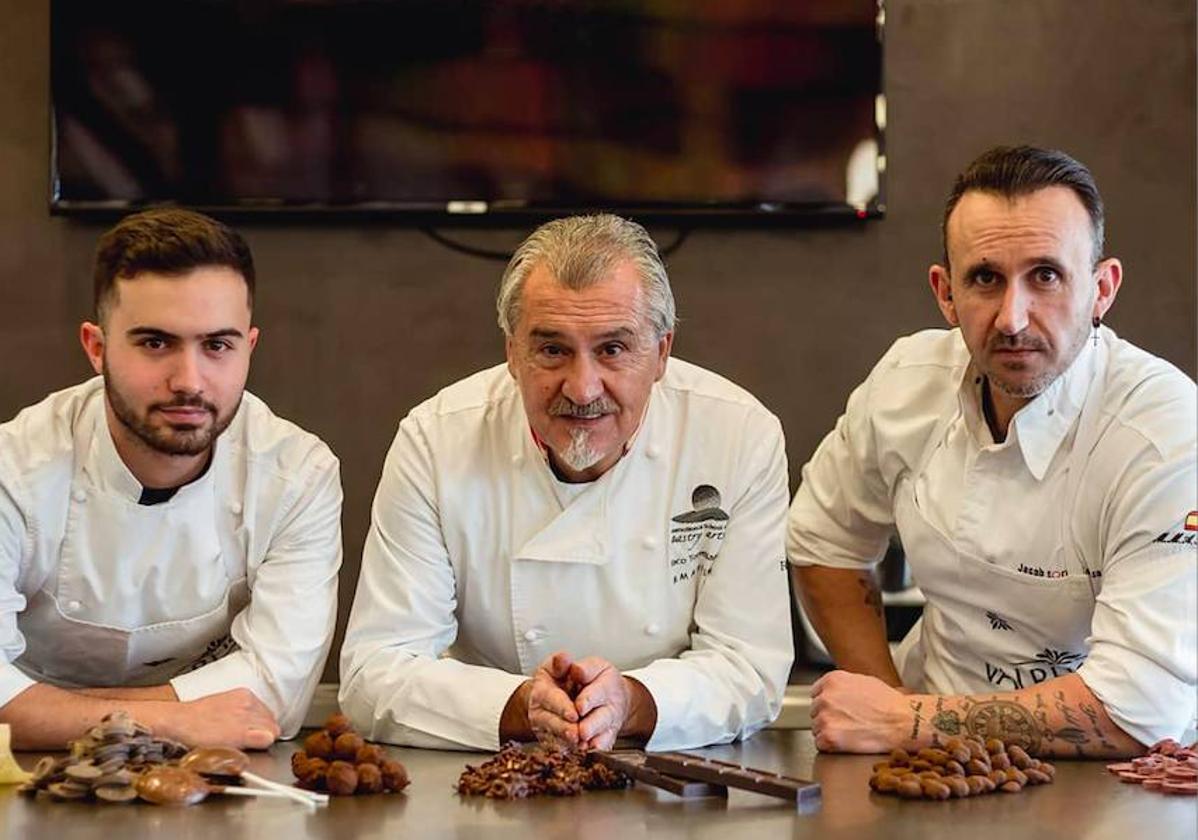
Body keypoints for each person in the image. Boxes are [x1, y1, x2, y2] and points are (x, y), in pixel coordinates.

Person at [788, 145, 1196, 758]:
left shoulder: (1164, 433)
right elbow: (822, 544)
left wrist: (906, 720)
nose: (1012, 318)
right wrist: (884, 700)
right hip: (931, 764)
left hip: (1117, 777)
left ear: (1101, 288)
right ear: (945, 293)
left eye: (1046, 276)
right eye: (985, 278)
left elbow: (1136, 709)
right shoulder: (905, 383)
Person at [340, 214, 792, 751]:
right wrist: (520, 706)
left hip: (670, 770)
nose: (581, 389)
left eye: (613, 349)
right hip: (492, 769)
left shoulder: (738, 437)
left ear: (662, 354)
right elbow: (374, 673)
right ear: (511, 352)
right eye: (552, 349)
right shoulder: (436, 442)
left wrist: (630, 701)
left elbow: (750, 667)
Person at [0, 209, 342, 750]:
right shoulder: (13, 471)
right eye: (155, 343)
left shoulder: (296, 474)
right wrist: (170, 721)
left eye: (217, 346)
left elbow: (278, 688)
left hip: (207, 781)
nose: (189, 381)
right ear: (96, 347)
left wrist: (41, 706)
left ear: (249, 347)